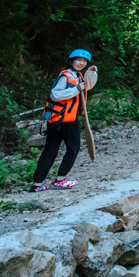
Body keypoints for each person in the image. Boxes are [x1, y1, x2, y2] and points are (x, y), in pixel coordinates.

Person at [31, 49, 94, 191]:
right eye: (78, 60)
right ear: (71, 61)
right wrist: (76, 89)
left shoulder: (77, 76)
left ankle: (38, 183)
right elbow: (55, 95)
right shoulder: (66, 76)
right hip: (62, 121)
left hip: (65, 119)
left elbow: (88, 86)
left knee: (54, 150)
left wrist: (92, 73)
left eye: (84, 61)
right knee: (69, 149)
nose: (81, 63)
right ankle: (57, 180)